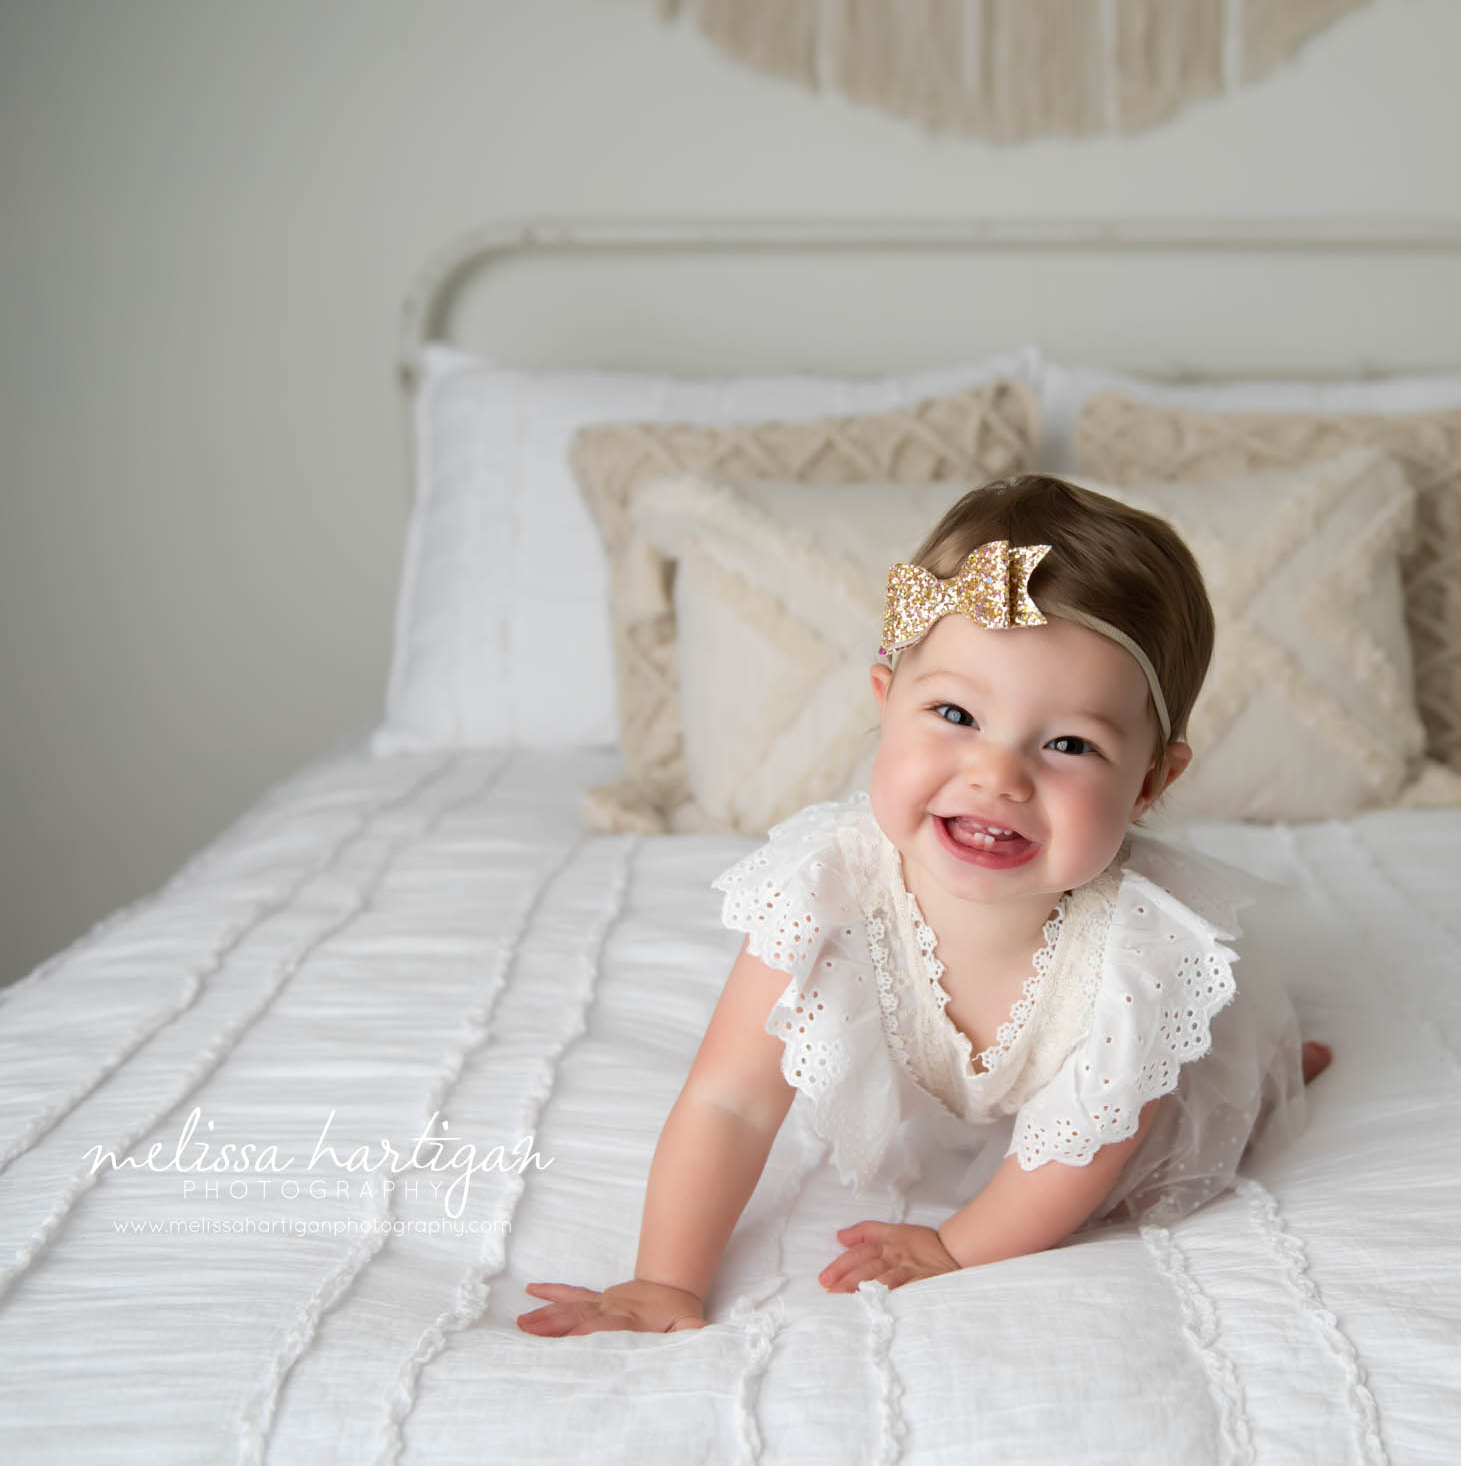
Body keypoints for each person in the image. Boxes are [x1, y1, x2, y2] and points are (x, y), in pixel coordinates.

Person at [517, 475, 1332, 1337]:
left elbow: (1077, 1156)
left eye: (1069, 744)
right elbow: (730, 1098)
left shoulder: (1142, 953)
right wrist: (665, 1280)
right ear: (884, 701)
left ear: (1151, 782)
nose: (997, 776)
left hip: (1104, 1103)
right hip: (967, 1068)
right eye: (954, 712)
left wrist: (954, 1244)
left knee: (1211, 1088)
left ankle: (1272, 1062)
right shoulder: (828, 888)